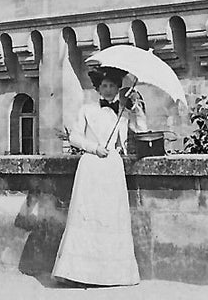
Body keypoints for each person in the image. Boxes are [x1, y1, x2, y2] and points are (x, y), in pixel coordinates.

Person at [51, 66, 142, 286]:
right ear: (98, 88)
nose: (108, 90)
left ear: (118, 88)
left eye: (112, 86)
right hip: (91, 166)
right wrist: (93, 148)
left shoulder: (123, 112)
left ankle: (112, 275)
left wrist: (137, 110)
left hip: (112, 168)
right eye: (104, 86)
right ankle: (80, 273)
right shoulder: (87, 109)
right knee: (88, 215)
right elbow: (74, 137)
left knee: (111, 216)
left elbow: (140, 130)